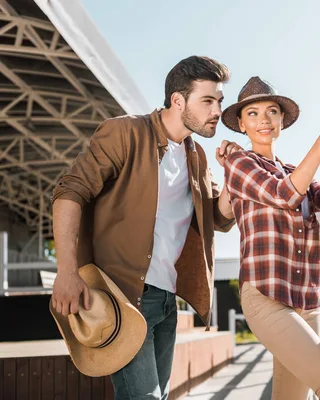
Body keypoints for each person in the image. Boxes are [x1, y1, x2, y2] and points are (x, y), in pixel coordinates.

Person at [50, 55, 242, 399]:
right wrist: (66, 271)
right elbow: (68, 192)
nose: (217, 111)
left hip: (167, 301)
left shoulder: (195, 156)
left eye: (219, 101)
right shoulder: (125, 132)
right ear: (178, 100)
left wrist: (232, 173)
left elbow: (221, 218)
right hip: (124, 298)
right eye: (208, 100)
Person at [222, 76, 320, 399]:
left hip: (308, 299)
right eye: (252, 114)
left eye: (271, 112)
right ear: (241, 124)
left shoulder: (293, 169)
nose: (264, 120)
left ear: (282, 120)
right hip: (267, 298)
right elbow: (284, 195)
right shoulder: (239, 164)